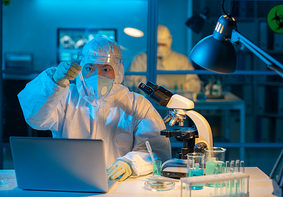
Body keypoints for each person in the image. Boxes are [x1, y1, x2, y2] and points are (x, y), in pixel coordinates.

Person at [17, 36, 171, 182]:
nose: (96, 76)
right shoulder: (65, 96)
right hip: (70, 182)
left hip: (118, 184)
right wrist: (53, 81)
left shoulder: (137, 104)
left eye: (105, 69)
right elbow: (35, 118)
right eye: (89, 68)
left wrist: (130, 164)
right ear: (81, 70)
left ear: (118, 71)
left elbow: (156, 150)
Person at [125, 24, 201, 100]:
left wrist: (183, 88)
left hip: (175, 104)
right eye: (157, 44)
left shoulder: (181, 60)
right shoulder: (139, 59)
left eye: (163, 45)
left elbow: (194, 84)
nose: (160, 48)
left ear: (169, 40)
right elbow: (128, 84)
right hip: (146, 103)